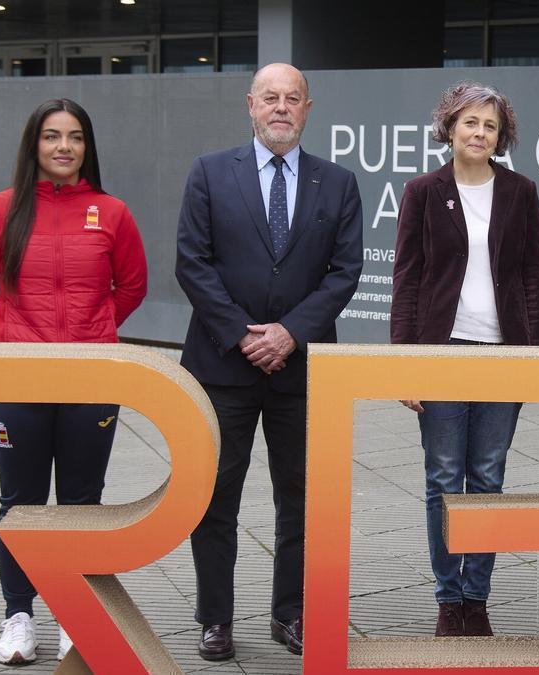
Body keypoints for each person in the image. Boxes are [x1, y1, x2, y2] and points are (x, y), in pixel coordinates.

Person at [174, 63, 363, 661]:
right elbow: (192, 262)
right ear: (250, 105)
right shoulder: (209, 172)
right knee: (215, 495)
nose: (281, 108)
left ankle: (292, 613)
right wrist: (242, 334)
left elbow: (344, 272)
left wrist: (290, 333)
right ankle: (216, 619)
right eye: (270, 98)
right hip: (222, 366)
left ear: (309, 108)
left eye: (293, 99)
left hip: (303, 370)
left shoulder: (337, 184)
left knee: (301, 497)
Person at [0, 98, 147, 665]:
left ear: (88, 147)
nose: (64, 147)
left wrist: (96, 330)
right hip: (19, 377)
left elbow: (132, 286)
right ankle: (18, 616)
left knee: (83, 501)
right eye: (52, 136)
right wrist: (6, 331)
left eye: (76, 137)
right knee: (22, 502)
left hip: (90, 379)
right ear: (33, 145)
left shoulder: (111, 212)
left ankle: (75, 613)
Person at [390, 81, 539, 637]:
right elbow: (406, 280)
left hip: (503, 354)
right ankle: (447, 597)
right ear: (449, 128)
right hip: (441, 352)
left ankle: (476, 597)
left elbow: (533, 275)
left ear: (501, 136)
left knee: (487, 477)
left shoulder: (521, 191)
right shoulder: (423, 191)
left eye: (490, 125)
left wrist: (532, 356)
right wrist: (406, 362)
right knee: (442, 479)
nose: (480, 133)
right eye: (470, 123)